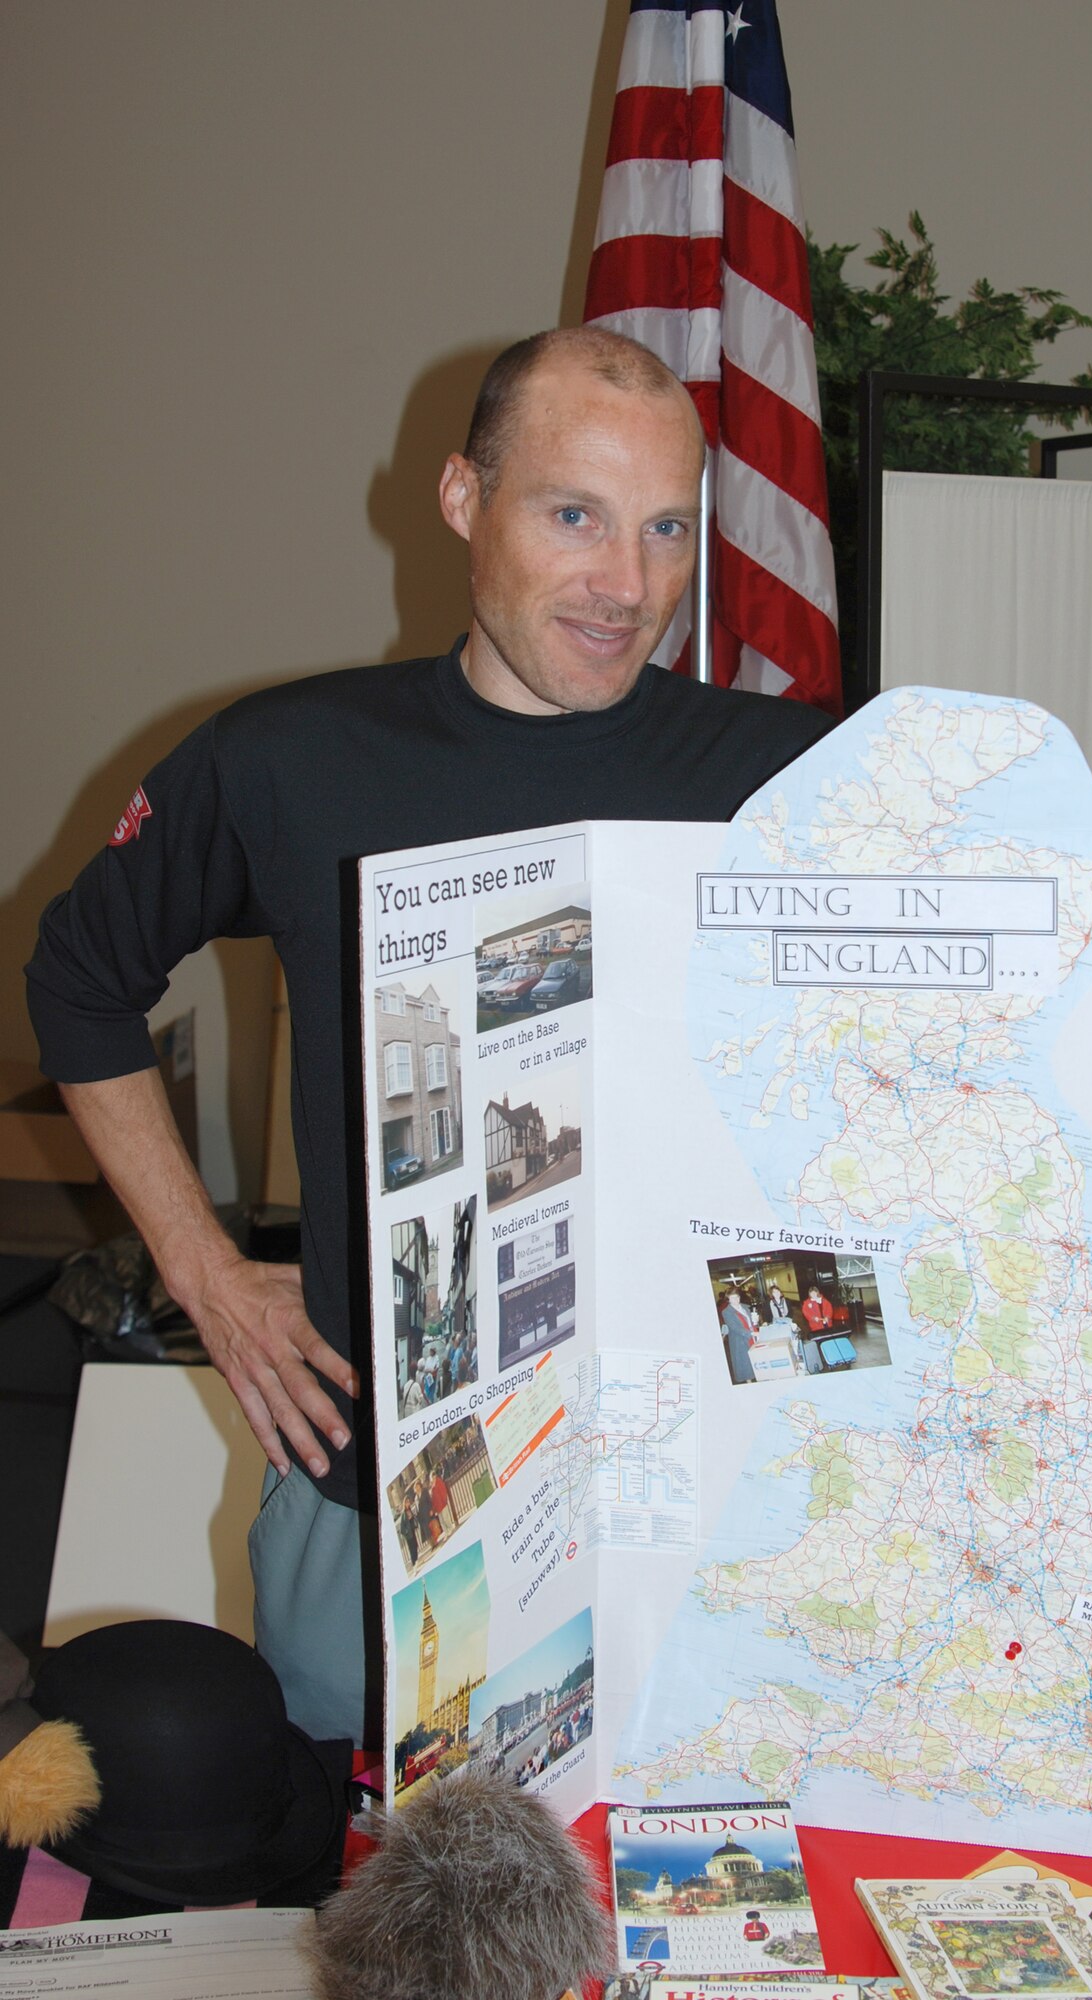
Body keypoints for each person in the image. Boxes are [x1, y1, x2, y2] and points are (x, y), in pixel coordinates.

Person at [25, 326, 832, 1742]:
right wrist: (207, 1275)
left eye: (662, 530)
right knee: (380, 1912)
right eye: (571, 516)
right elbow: (78, 979)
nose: (625, 587)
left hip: (704, 1497)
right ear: (463, 500)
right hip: (389, 1502)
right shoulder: (288, 760)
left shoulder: (785, 775)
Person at [720, 1289, 757, 1386]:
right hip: (739, 1340)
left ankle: (758, 1376)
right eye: (733, 1298)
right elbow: (735, 1327)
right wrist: (751, 1333)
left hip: (752, 1336)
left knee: (755, 1359)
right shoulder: (727, 1312)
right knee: (745, 1362)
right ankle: (749, 1384)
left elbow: (753, 1321)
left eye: (737, 1297)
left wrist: (756, 1320)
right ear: (728, 1299)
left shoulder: (746, 1307)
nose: (736, 1299)